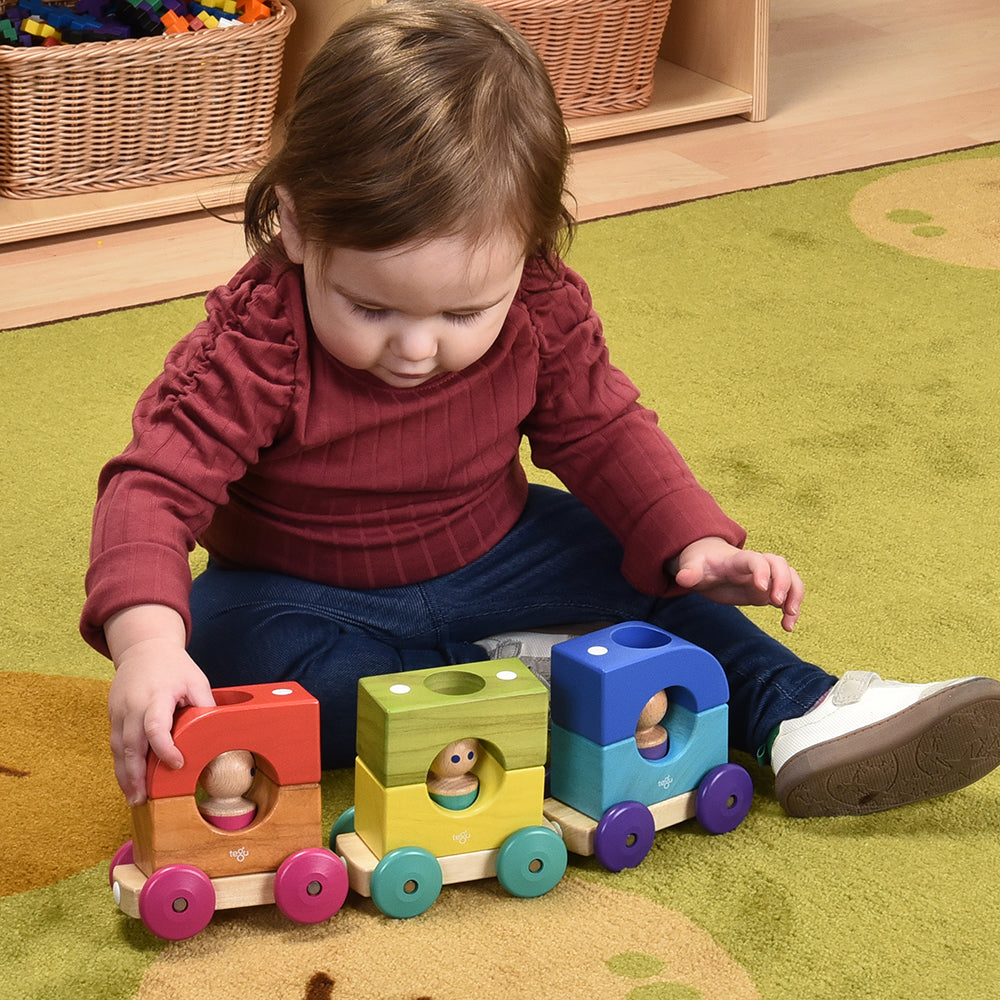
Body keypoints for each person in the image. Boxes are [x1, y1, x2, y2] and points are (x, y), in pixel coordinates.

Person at [81, 0, 1000, 819]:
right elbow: (151, 488)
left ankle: (797, 710)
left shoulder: (539, 309)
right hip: (305, 595)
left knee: (643, 574)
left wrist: (694, 544)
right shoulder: (255, 341)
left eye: (461, 312)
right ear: (294, 222)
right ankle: (530, 690)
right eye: (371, 307)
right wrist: (150, 643)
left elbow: (602, 428)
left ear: (529, 245)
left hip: (498, 551)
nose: (415, 347)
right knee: (222, 660)